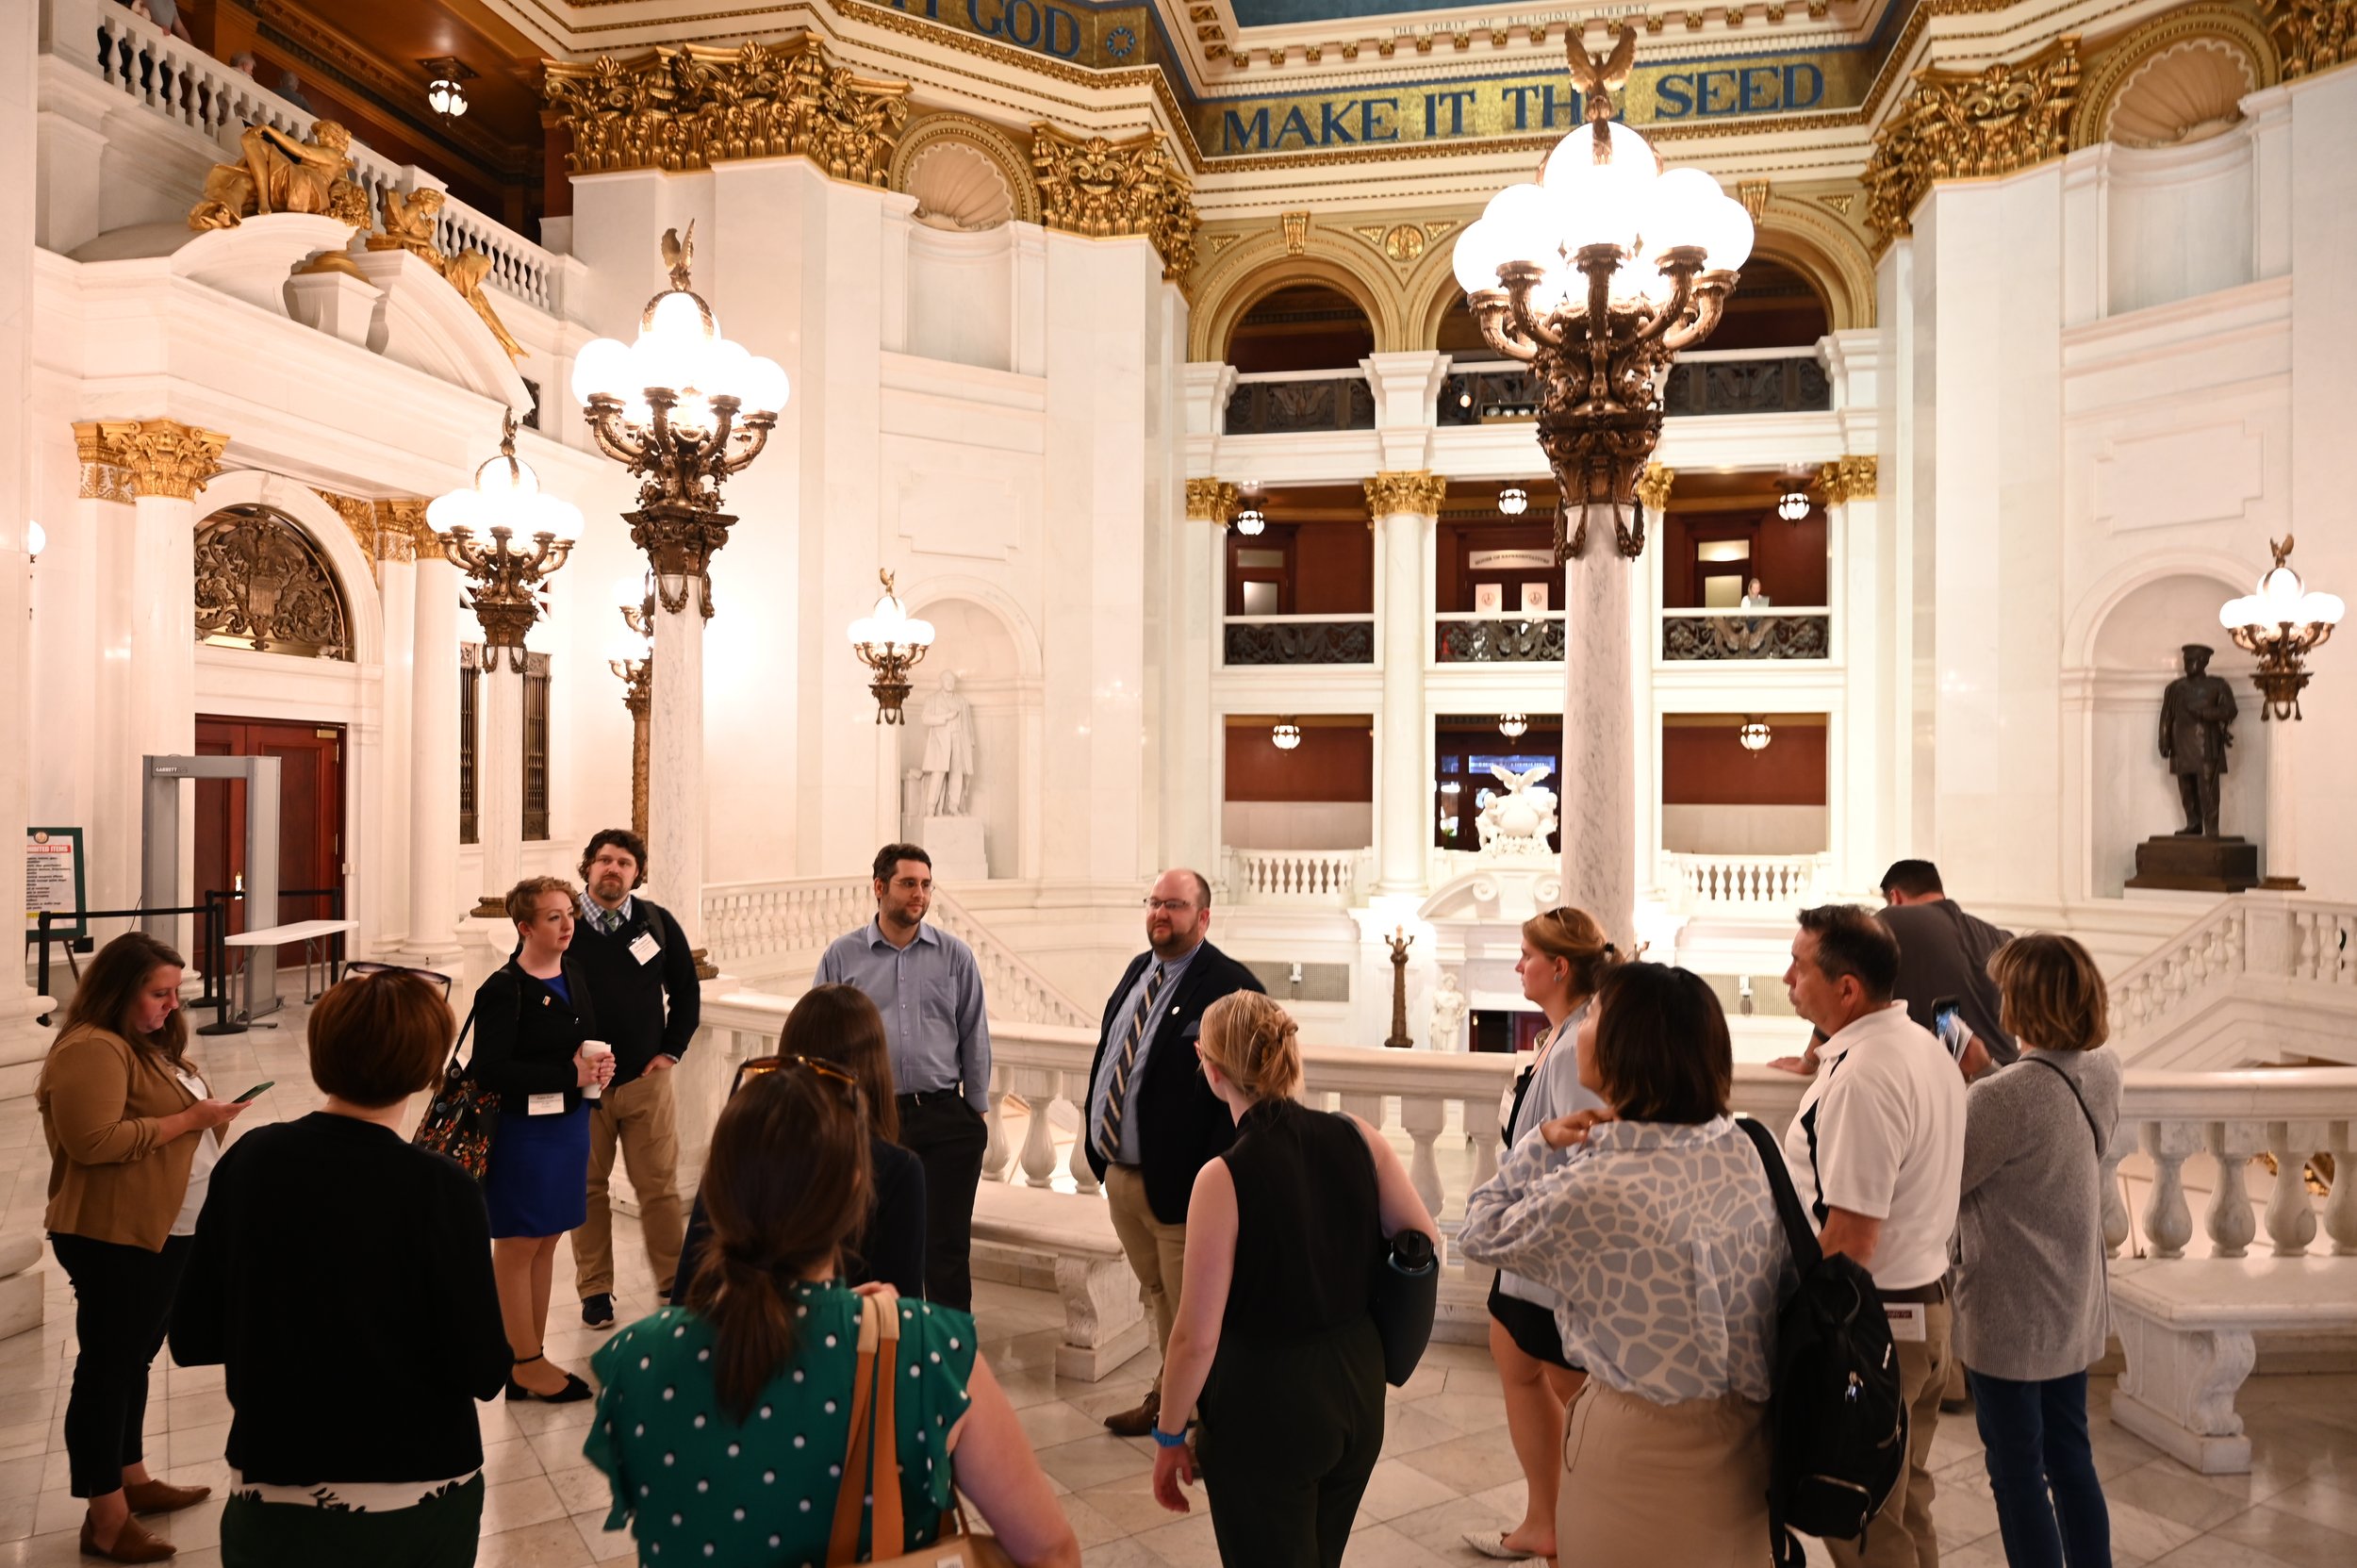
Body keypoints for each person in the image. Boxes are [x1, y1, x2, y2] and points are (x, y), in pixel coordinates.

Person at [584, 1063, 1080, 1568]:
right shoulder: (928, 1351)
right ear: (855, 1194)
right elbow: (1052, 1553)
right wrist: (860, 1325)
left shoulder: (638, 1361)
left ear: (718, 1190)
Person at [172, 966, 513, 1566]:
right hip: (419, 1487)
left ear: (320, 1054)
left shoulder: (253, 1160)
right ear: (427, 1070)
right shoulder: (442, 1188)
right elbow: (483, 1368)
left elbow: (194, 1334)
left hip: (277, 1476)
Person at [1460, 963, 1796, 1566]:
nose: (1581, 1024)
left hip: (1638, 1459)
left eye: (1594, 1014)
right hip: (1750, 1453)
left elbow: (1480, 1230)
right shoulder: (1751, 1146)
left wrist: (1540, 1141)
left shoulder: (1598, 1185)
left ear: (1626, 1049)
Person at [1147, 993, 1434, 1567]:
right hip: (1357, 1388)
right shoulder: (1360, 1136)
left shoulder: (1222, 1178)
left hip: (1269, 1403)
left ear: (1211, 1070)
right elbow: (1420, 1241)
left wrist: (1169, 1435)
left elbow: (1196, 1337)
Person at [37, 933, 250, 1563]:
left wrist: (206, 1116)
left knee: (133, 1361)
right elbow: (93, 1141)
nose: (172, 1005)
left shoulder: (140, 1044)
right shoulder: (92, 1047)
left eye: (175, 992)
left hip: (163, 1227)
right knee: (106, 1371)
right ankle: (105, 1519)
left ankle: (131, 1477)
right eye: (160, 993)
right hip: (112, 1234)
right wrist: (189, 1121)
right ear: (119, 990)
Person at [1782, 904, 1966, 1568]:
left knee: (1859, 1519)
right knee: (1902, 1502)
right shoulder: (1919, 1046)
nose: (1787, 978)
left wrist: (1803, 1341)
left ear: (1847, 988)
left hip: (1875, 1327)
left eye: (1799, 966)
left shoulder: (1865, 1077)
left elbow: (1852, 1237)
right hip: (1922, 1310)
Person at [1954, 934, 2122, 1568]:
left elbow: (1947, 1178)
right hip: (2072, 1300)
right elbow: (2042, 1106)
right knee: (2071, 1457)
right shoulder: (2104, 1071)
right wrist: (1988, 1074)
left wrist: (1968, 1084)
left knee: (2017, 1470)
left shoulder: (1999, 1099)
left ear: (2022, 1003)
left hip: (2011, 1313)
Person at [1081, 868, 1264, 1438]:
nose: (1161, 913)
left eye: (1175, 905)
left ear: (1203, 917)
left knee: (1195, 1313)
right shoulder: (1139, 970)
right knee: (1159, 1297)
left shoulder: (1231, 986)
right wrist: (1099, 1154)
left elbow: (1248, 1094)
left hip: (1185, 1188)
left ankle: (1212, 1429)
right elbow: (1113, 1053)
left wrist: (1209, 1176)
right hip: (1122, 1177)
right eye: (1155, 902)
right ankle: (1171, 1401)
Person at [1469, 906, 1614, 1563]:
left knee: (1570, 1387)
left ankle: (1577, 1529)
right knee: (1512, 1353)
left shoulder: (1580, 1041)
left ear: (1558, 967)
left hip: (1551, 1251)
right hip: (1530, 1243)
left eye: (1526, 955)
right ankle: (1544, 1517)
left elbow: (1586, 1153)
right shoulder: (1561, 1035)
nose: (1517, 966)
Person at [671, 983, 929, 1301]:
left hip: (730, 1329)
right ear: (875, 1067)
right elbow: (898, 1314)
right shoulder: (898, 1170)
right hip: (839, 1334)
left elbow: (688, 1293)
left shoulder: (741, 1147)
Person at [816, 843, 991, 1309]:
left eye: (926, 884)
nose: (920, 894)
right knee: (867, 1243)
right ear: (879, 887)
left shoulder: (955, 956)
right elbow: (821, 1035)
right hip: (870, 1119)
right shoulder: (842, 957)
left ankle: (950, 1344)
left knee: (946, 1248)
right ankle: (877, 1337)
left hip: (944, 1118)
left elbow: (974, 1033)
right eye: (908, 883)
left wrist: (974, 1112)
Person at [471, 876, 615, 1403]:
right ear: (525, 927)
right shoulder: (503, 989)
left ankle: (527, 1355)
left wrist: (598, 1068)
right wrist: (568, 1075)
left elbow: (579, 1044)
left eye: (569, 914)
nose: (567, 924)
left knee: (549, 1237)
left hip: (568, 1127)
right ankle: (525, 1362)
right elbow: (490, 1070)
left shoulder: (572, 972)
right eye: (554, 917)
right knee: (518, 1244)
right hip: (523, 1133)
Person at [569, 828, 700, 1329]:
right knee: (587, 1189)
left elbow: (685, 990)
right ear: (588, 866)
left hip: (646, 1082)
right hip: (583, 1084)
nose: (613, 869)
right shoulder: (564, 920)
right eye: (605, 860)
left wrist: (671, 1050)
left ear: (637, 873)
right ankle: (595, 1289)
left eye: (624, 863)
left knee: (659, 1187)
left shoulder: (656, 922)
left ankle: (673, 1280)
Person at [1880, 858, 2018, 1071]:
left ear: (1895, 897)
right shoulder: (2000, 937)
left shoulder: (1892, 921)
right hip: (2007, 1071)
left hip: (1952, 1076)